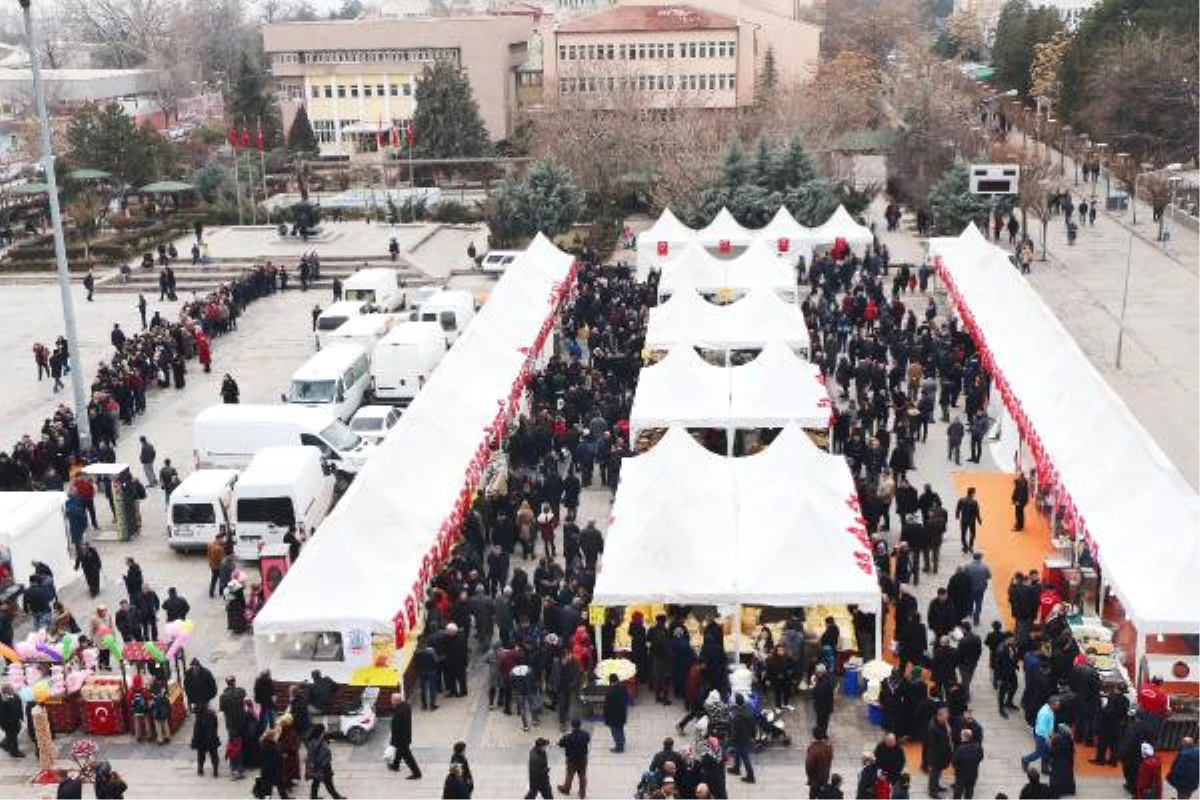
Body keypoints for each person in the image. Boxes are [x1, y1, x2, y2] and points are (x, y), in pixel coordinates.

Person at [304, 725, 345, 800]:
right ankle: (337, 797)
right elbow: (321, 753)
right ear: (320, 732)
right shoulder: (318, 742)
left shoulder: (313, 740)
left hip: (317, 766)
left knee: (316, 782)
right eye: (323, 731)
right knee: (328, 783)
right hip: (324, 766)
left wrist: (327, 742)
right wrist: (324, 762)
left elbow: (314, 752)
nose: (324, 732)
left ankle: (313, 797)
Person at [387, 693, 420, 779]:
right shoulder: (406, 706)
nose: (390, 701)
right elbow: (396, 709)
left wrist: (393, 741)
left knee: (408, 757)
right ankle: (395, 765)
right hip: (406, 736)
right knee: (399, 752)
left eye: (392, 700)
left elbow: (396, 730)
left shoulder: (399, 714)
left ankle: (417, 773)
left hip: (401, 739)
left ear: (395, 701)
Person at [1022, 698, 1059, 774]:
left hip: (1043, 734)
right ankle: (1025, 760)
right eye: (1057, 704)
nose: (1059, 706)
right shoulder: (1045, 713)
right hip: (1041, 736)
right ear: (1052, 704)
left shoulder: (1049, 709)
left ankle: (1044, 768)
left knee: (1046, 752)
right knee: (1039, 753)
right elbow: (1042, 728)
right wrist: (1048, 739)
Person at [557, 718, 590, 798]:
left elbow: (560, 744)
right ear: (580, 725)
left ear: (572, 726)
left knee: (569, 775)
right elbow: (587, 741)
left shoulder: (568, 737)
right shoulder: (586, 734)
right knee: (582, 776)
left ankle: (566, 789)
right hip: (582, 758)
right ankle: (582, 793)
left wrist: (563, 736)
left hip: (572, 760)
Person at [727, 693, 756, 783]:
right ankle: (736, 768)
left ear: (737, 702)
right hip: (747, 737)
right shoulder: (748, 709)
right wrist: (753, 735)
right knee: (737, 752)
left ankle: (751, 776)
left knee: (745, 757)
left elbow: (735, 730)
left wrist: (731, 739)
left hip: (740, 739)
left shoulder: (737, 717)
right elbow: (753, 725)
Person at [925, 706, 954, 796]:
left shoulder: (942, 723)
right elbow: (933, 745)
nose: (947, 719)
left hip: (942, 754)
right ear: (939, 716)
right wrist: (945, 752)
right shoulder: (933, 728)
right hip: (936, 756)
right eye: (945, 717)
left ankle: (936, 786)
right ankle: (932, 792)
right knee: (934, 774)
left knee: (938, 773)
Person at [951, 728, 983, 800]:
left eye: (961, 736)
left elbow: (954, 763)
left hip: (961, 776)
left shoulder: (960, 749)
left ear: (964, 738)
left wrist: (957, 768)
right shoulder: (978, 747)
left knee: (958, 793)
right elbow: (980, 757)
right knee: (969, 791)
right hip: (973, 774)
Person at [191, 703, 220, 777]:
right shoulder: (212, 715)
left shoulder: (198, 719)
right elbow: (215, 726)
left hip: (201, 740)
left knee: (201, 755)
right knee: (214, 755)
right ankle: (215, 770)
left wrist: (194, 741)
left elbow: (196, 731)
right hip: (212, 738)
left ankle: (200, 769)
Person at [1047, 724, 1075, 799]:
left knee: (1056, 776)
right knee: (1067, 775)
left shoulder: (1056, 739)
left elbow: (1051, 752)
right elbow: (1072, 751)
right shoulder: (1069, 740)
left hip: (1057, 761)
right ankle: (1068, 789)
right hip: (1066, 761)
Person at [806, 727, 833, 800]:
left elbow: (809, 766)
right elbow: (830, 759)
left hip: (815, 779)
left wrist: (810, 776)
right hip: (824, 778)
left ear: (813, 735)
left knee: (813, 796)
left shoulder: (813, 749)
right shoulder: (828, 748)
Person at [602, 673, 626, 752]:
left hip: (613, 715)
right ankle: (622, 742)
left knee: (615, 731)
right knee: (620, 729)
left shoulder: (609, 692)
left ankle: (619, 747)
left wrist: (605, 716)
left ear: (610, 681)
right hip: (622, 713)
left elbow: (606, 706)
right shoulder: (622, 688)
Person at [0, 683, 24, 757]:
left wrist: (21, 717)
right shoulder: (3, 700)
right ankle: (14, 752)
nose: (13, 689)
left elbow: (20, 707)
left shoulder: (16, 696)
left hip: (16, 720)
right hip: (7, 722)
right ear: (6, 691)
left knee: (13, 734)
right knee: (13, 736)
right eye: (11, 689)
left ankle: (5, 743)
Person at [956, 487, 983, 553]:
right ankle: (971, 546)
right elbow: (977, 512)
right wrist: (979, 520)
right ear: (972, 493)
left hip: (964, 520)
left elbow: (958, 509)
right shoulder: (974, 502)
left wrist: (957, 515)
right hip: (971, 521)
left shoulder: (961, 500)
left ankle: (965, 546)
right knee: (973, 533)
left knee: (963, 534)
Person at [812, 663, 835, 735]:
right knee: (825, 721)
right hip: (827, 706)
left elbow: (816, 694)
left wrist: (814, 686)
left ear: (820, 672)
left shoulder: (822, 683)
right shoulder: (829, 679)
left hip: (822, 706)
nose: (816, 673)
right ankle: (824, 733)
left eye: (817, 672)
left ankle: (820, 734)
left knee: (821, 721)